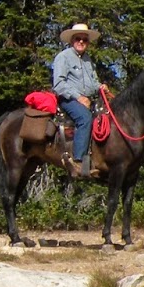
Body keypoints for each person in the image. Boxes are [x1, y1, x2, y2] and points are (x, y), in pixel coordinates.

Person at [52, 23, 110, 177]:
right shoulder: (63, 57)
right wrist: (78, 97)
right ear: (72, 40)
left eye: (85, 40)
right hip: (68, 99)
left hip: (87, 100)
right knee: (85, 118)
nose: (81, 42)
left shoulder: (87, 60)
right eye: (78, 38)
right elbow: (58, 84)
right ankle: (78, 161)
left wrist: (100, 87)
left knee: (105, 117)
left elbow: (93, 82)